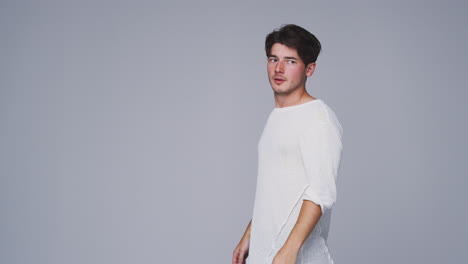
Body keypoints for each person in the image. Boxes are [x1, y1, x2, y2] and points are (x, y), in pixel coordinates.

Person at [232, 24, 343, 264]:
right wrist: (250, 233)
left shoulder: (318, 118)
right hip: (265, 254)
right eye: (274, 59)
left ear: (309, 69)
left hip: (295, 257)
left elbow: (320, 192)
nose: (279, 69)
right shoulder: (276, 117)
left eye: (291, 61)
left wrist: (289, 251)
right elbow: (275, 189)